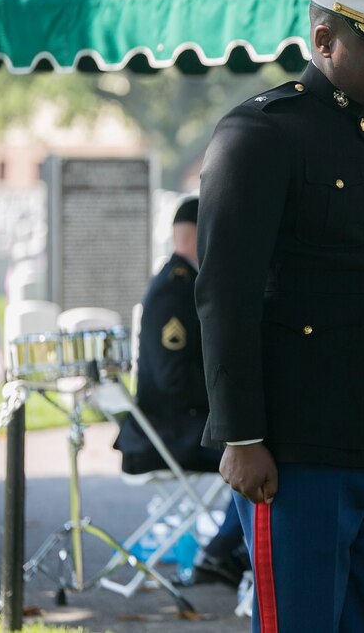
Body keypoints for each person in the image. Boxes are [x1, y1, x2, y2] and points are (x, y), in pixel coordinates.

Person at [195, 0, 364, 632]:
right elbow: (226, 293)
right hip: (299, 436)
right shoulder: (262, 133)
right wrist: (241, 434)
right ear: (323, 37)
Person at [113, 196, 247, 587]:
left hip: (175, 424)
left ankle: (228, 549)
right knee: (260, 449)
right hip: (169, 431)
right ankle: (222, 550)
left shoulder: (186, 280)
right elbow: (175, 381)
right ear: (200, 234)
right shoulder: (175, 289)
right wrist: (229, 399)